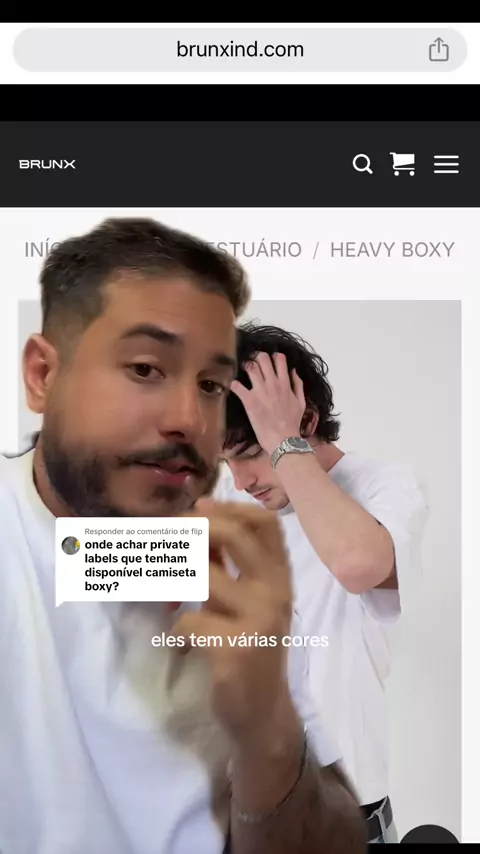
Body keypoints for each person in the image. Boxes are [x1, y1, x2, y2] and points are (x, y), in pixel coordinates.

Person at [0, 218, 366, 854]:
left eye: (210, 386)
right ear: (42, 375)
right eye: (145, 368)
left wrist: (269, 734)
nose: (188, 419)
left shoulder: (225, 569)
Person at [217, 321, 430, 844]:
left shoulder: (384, 487)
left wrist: (282, 443)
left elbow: (357, 563)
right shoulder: (232, 502)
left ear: (306, 419)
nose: (241, 480)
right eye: (227, 461)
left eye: (250, 454)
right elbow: (91, 562)